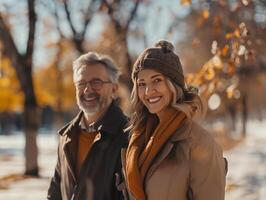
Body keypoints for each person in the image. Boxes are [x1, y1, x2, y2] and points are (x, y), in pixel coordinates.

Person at [123, 40, 227, 200]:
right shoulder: (138, 138)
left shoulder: (199, 142)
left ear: (173, 84)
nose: (148, 91)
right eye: (141, 84)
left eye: (157, 80)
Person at [47, 52, 128, 200]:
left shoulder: (129, 135)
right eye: (81, 83)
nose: (87, 90)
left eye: (96, 82)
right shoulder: (67, 136)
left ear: (114, 89)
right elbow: (56, 189)